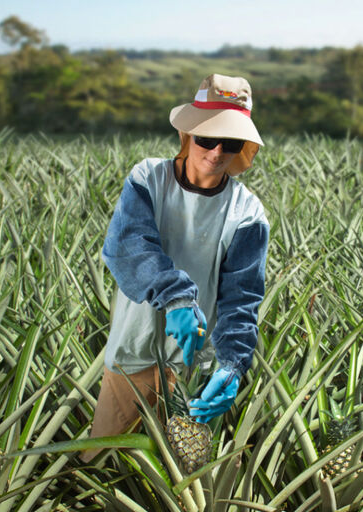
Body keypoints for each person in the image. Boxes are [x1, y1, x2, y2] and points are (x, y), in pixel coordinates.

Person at [81, 73, 269, 462]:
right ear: (188, 133)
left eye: (231, 142)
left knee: (182, 483)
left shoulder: (248, 213)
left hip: (195, 370)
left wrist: (232, 365)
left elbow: (242, 299)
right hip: (133, 352)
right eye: (207, 138)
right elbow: (129, 248)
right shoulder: (148, 178)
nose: (217, 151)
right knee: (98, 464)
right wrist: (179, 300)